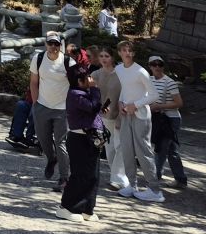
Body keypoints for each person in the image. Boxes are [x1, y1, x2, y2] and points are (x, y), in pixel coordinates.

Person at [113, 39, 163, 202]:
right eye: (124, 50)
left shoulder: (141, 71)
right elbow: (124, 89)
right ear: (119, 53)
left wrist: (135, 105)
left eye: (130, 50)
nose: (127, 53)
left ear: (133, 53)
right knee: (127, 149)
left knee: (143, 152)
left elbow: (154, 95)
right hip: (126, 114)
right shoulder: (119, 69)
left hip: (141, 115)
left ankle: (154, 190)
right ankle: (132, 185)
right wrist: (121, 102)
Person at [56, 62, 103, 222]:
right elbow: (92, 107)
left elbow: (93, 109)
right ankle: (66, 207)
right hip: (79, 139)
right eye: (87, 77)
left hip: (91, 139)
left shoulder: (83, 92)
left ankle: (87, 209)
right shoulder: (75, 94)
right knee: (80, 175)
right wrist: (95, 89)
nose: (90, 79)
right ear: (79, 81)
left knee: (93, 176)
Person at [28, 32, 70, 191]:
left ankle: (64, 178)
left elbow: (76, 84)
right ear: (46, 44)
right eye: (50, 43)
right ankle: (51, 159)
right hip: (42, 106)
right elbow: (33, 82)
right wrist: (35, 103)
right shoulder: (38, 58)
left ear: (60, 45)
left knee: (61, 143)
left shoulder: (68, 62)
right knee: (43, 139)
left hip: (62, 109)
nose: (53, 47)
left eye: (56, 44)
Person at [146, 55, 187, 189]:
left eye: (160, 64)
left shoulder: (169, 82)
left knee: (161, 148)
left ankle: (155, 178)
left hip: (170, 119)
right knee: (171, 150)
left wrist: (159, 106)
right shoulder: (149, 80)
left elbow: (179, 103)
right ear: (150, 66)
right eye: (154, 64)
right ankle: (180, 179)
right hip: (158, 118)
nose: (157, 67)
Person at [93, 47, 127, 189]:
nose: (104, 58)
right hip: (103, 116)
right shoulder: (96, 74)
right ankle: (116, 178)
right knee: (110, 148)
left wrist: (121, 114)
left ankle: (120, 178)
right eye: (101, 56)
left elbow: (125, 95)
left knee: (121, 146)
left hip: (120, 114)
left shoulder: (121, 74)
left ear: (112, 57)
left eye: (106, 56)